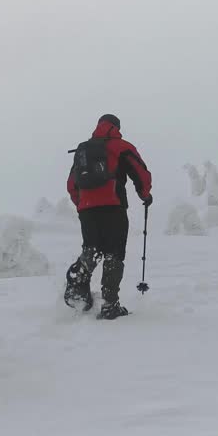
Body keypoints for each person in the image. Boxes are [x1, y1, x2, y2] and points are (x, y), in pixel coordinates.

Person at [64, 113, 152, 320]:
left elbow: (71, 184)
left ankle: (78, 288)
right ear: (117, 127)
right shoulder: (121, 147)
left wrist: (82, 204)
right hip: (113, 208)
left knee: (92, 249)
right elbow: (141, 174)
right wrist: (145, 195)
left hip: (87, 210)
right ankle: (109, 305)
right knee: (113, 254)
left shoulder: (83, 150)